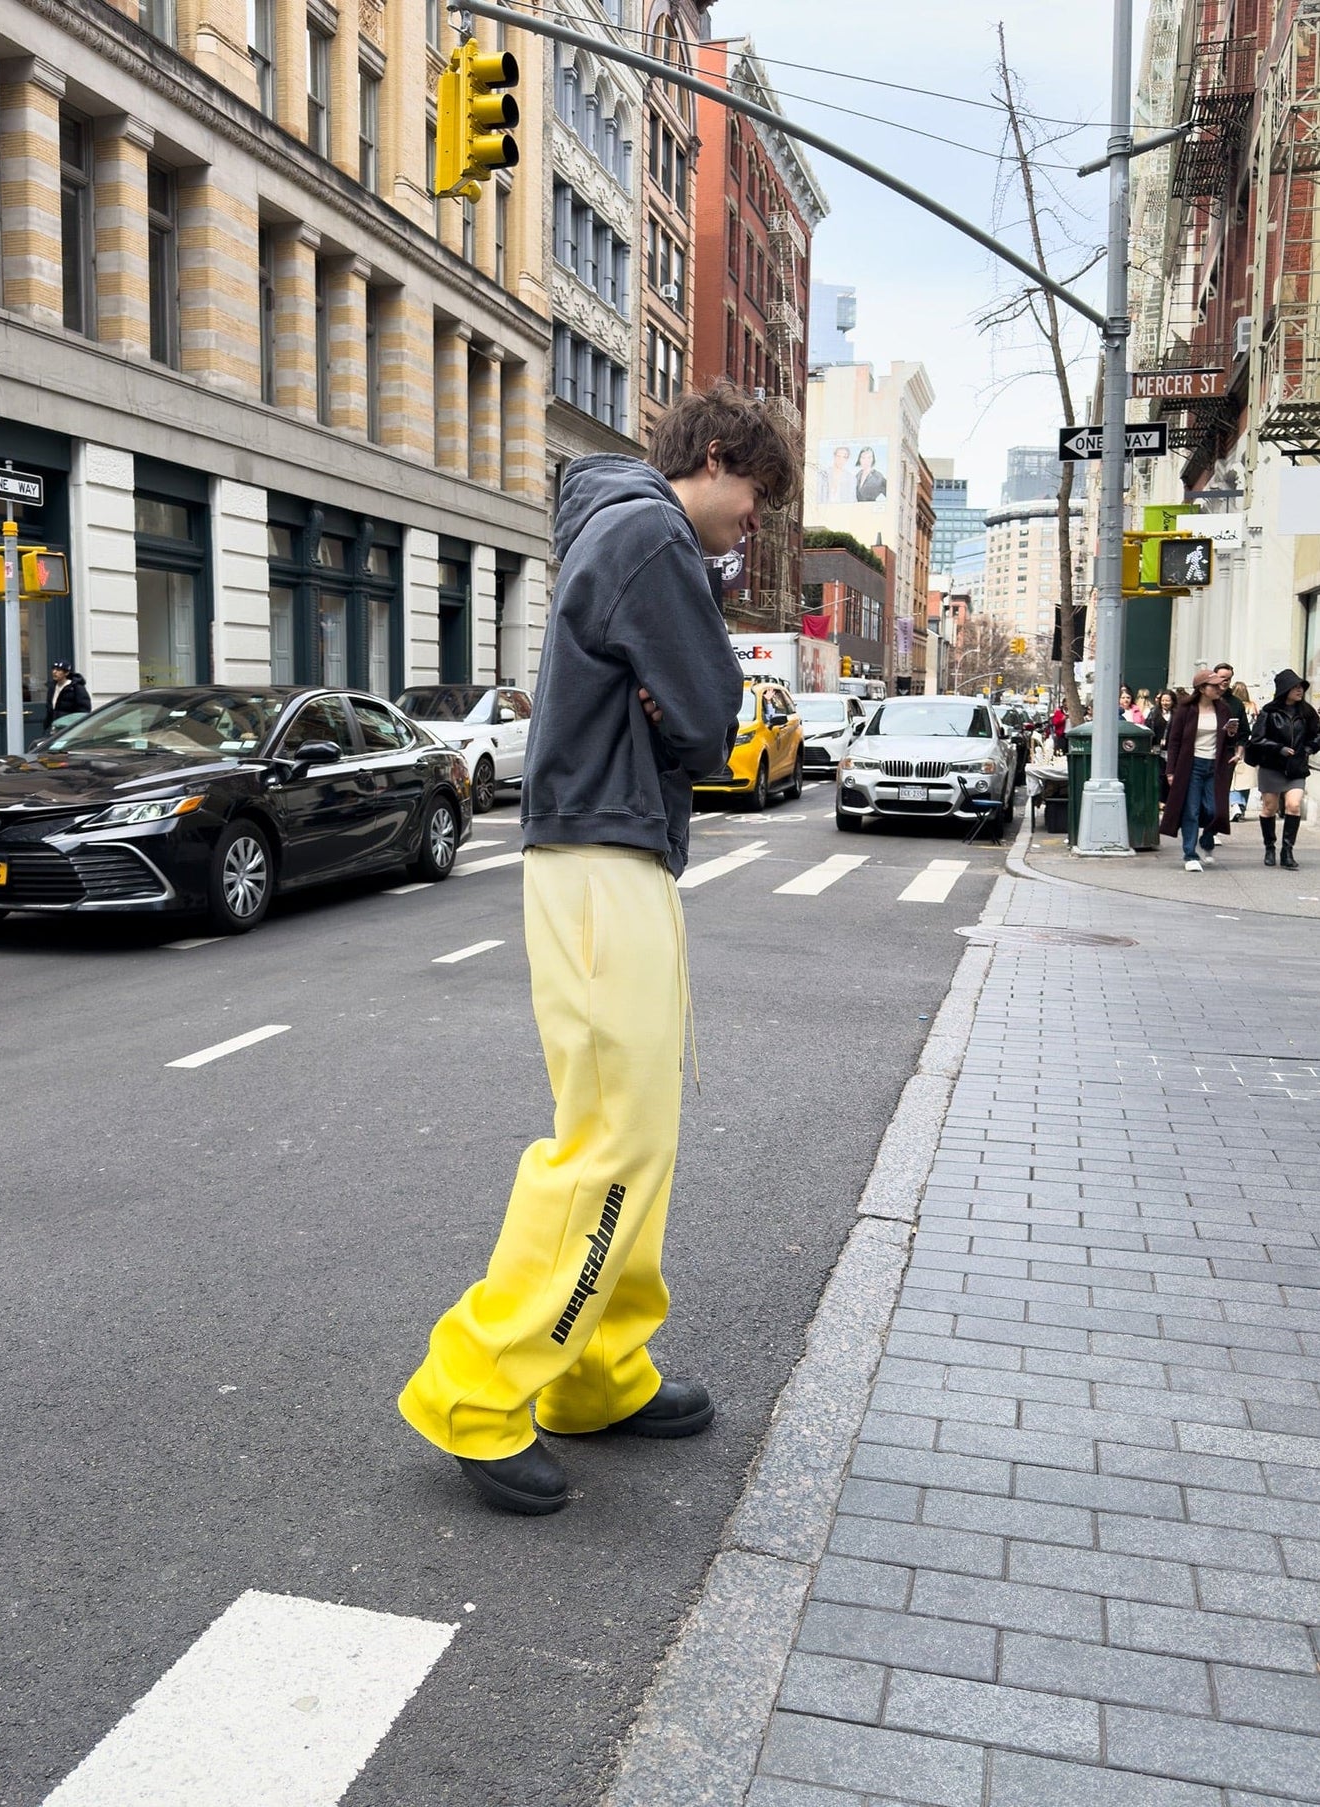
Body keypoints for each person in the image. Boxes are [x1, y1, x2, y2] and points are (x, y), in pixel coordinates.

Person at [398, 384, 799, 1517]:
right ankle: (477, 1386)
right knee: (613, 1137)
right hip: (600, 858)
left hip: (602, 851)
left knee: (638, 1130)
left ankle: (597, 1370)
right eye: (754, 498)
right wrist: (686, 716)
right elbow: (712, 710)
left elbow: (685, 712)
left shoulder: (618, 524)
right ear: (713, 459)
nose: (750, 524)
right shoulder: (650, 532)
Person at [1161, 670, 1238, 871]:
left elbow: (1230, 740)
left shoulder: (1223, 709)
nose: (1219, 688)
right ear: (1202, 689)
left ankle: (1207, 840)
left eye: (1220, 685)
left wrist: (1230, 734)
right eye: (1214, 686)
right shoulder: (1186, 710)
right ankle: (1190, 854)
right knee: (1191, 811)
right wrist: (1171, 771)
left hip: (1215, 765)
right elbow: (1174, 742)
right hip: (1191, 766)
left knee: (1215, 809)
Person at [1246, 668, 1320, 870]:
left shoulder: (1307, 712)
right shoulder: (1269, 712)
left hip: (1296, 767)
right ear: (1284, 689)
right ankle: (1269, 847)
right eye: (1295, 687)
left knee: (1294, 806)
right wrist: (1278, 749)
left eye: (1301, 687)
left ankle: (1287, 851)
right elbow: (1257, 739)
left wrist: (1307, 749)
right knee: (1269, 808)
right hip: (1272, 766)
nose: (1299, 690)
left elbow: (1318, 735)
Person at [1226, 679, 1256, 820]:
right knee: (1246, 779)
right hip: (1250, 745)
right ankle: (1241, 806)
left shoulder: (1233, 706)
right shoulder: (1253, 707)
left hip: (1236, 743)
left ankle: (1235, 804)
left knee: (1235, 778)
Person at [43, 659, 92, 734]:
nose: (54, 672)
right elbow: (50, 710)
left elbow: (84, 710)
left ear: (66, 673)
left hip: (69, 728)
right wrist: (46, 727)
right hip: (54, 728)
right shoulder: (52, 687)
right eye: (53, 669)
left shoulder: (76, 688)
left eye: (59, 670)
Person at [1146, 687, 1177, 801]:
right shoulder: (1154, 714)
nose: (1165, 703)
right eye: (1163, 700)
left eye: (1168, 700)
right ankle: (1159, 800)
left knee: (1170, 776)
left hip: (1172, 750)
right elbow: (1148, 728)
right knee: (1158, 776)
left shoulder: (1177, 714)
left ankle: (1169, 800)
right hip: (1157, 749)